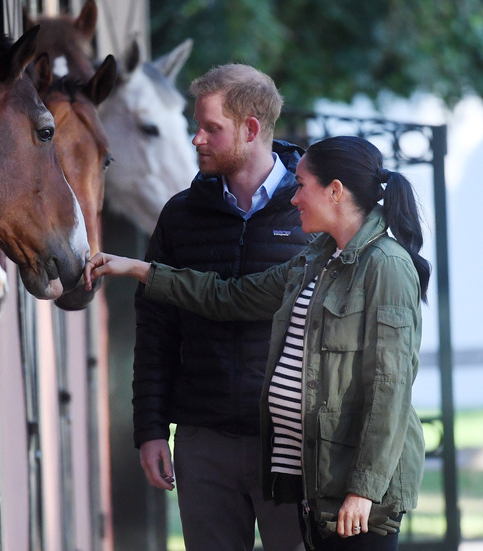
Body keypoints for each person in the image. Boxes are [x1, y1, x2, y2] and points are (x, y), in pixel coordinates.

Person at [86, 135, 429, 551]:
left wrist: (364, 490)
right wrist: (142, 270)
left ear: (334, 191)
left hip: (353, 493)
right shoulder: (316, 258)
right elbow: (230, 296)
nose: (294, 198)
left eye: (301, 185)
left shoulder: (387, 266)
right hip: (315, 483)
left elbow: (389, 389)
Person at [130, 63, 312, 551]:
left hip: (293, 445)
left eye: (211, 128)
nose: (197, 140)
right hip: (203, 442)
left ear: (251, 130)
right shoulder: (180, 215)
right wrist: (149, 430)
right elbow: (155, 329)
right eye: (198, 126)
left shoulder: (312, 211)